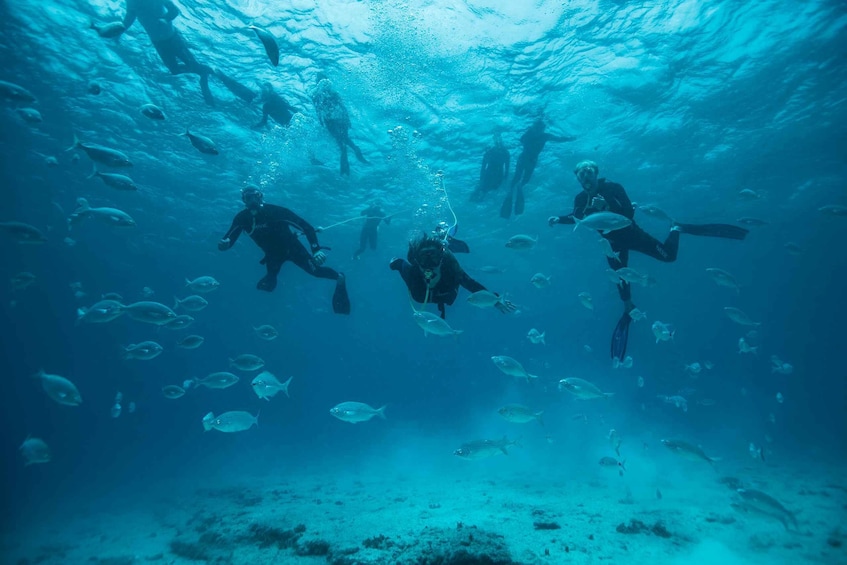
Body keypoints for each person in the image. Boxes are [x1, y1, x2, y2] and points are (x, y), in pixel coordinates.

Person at [548, 160, 748, 359]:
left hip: (633, 235)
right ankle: (628, 309)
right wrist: (559, 219)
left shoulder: (613, 188)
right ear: (578, 179)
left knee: (669, 257)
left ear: (596, 173)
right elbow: (576, 217)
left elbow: (628, 212)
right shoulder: (580, 198)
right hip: (611, 245)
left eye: (588, 172)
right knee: (619, 278)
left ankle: (676, 229)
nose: (585, 176)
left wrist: (606, 206)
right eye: (580, 175)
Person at [218, 186, 350, 314]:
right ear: (244, 200)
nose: (253, 201)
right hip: (272, 255)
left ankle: (340, 278)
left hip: (293, 249)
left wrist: (316, 250)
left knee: (316, 272)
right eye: (248, 198)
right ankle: (268, 314)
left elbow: (307, 227)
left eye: (256, 196)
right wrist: (225, 245)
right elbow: (228, 239)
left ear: (261, 197)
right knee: (270, 279)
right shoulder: (242, 218)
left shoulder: (276, 212)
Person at [119, 0, 252, 106]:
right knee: (175, 70)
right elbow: (129, 18)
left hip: (173, 38)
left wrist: (165, 19)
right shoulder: (130, 2)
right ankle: (203, 71)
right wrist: (117, 31)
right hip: (158, 43)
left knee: (192, 66)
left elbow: (174, 11)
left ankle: (210, 70)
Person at [389, 234, 515, 319]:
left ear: (440, 258)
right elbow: (400, 265)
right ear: (418, 260)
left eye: (433, 256)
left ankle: (443, 239)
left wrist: (495, 300)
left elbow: (471, 284)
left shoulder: (450, 270)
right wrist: (394, 263)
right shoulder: (412, 273)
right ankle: (439, 241)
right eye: (423, 258)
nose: (429, 264)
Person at [501, 119, 576, 218]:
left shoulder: (544, 136)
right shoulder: (532, 135)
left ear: (542, 129)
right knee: (517, 177)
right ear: (534, 128)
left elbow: (558, 139)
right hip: (524, 159)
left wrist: (570, 139)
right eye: (537, 128)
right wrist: (530, 131)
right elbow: (521, 140)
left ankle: (518, 187)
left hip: (530, 161)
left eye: (540, 128)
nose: (538, 130)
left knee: (525, 179)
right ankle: (513, 190)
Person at [311, 78, 369, 176]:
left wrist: (321, 121)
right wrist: (348, 120)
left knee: (341, 142)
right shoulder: (331, 94)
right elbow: (342, 107)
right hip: (339, 119)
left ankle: (348, 159)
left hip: (331, 120)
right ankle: (355, 150)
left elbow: (318, 109)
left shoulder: (317, 95)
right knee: (344, 139)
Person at [470, 133, 510, 202]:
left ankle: (477, 198)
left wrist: (505, 178)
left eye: (498, 140)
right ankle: (476, 198)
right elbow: (506, 168)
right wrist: (505, 177)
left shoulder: (503, 153)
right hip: (492, 175)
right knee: (485, 188)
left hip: (493, 175)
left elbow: (507, 167)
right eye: (496, 140)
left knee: (485, 188)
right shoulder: (494, 152)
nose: (498, 142)